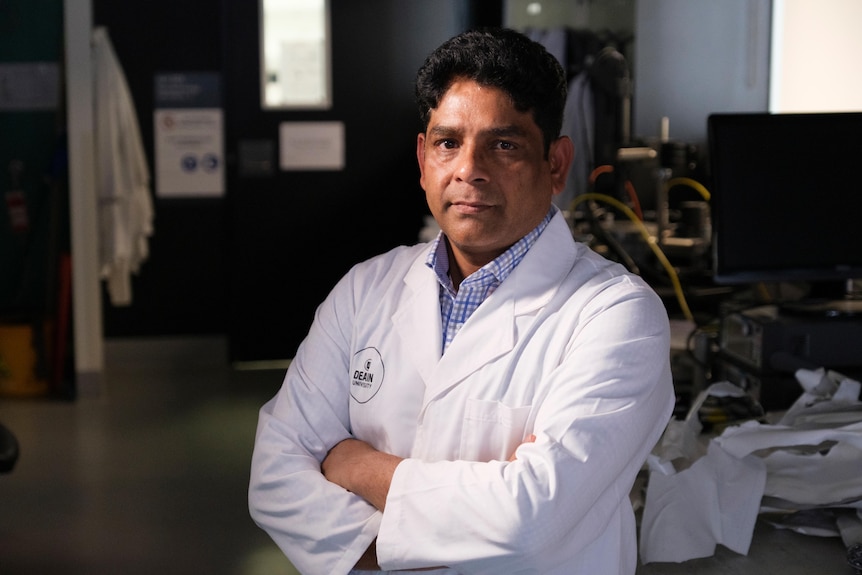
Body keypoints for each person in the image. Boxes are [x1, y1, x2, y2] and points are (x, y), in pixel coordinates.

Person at [249, 27, 674, 575]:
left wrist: (355, 465)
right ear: (424, 157)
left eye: (504, 145)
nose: (469, 170)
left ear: (556, 164)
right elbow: (275, 475)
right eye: (449, 142)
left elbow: (529, 518)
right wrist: (431, 538)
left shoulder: (617, 315)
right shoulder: (364, 290)